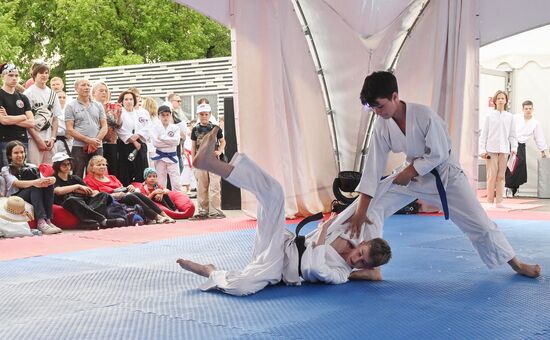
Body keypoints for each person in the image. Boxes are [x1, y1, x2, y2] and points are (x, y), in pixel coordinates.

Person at [345, 71, 539, 278]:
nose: (377, 112)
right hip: (415, 177)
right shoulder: (382, 125)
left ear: (395, 96)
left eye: (380, 105)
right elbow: (373, 167)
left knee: (481, 224)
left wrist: (410, 171)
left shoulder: (424, 116)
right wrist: (361, 210)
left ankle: (517, 264)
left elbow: (438, 153)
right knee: (371, 209)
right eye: (372, 108)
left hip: (446, 177)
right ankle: (372, 269)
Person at [177, 127, 392, 296]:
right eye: (361, 254)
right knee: (274, 193)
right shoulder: (350, 230)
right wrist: (400, 175)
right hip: (284, 242)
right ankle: (210, 163)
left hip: (279, 267)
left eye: (364, 264)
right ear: (363, 244)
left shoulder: (341, 274)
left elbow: (316, 269)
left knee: (242, 287)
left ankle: (210, 271)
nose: (357, 261)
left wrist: (324, 230)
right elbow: (372, 199)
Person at [84, 155, 173, 224]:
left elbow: (122, 187)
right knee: (131, 197)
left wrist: (130, 187)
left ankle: (164, 215)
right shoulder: (88, 180)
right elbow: (96, 196)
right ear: (91, 167)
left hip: (124, 196)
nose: (102, 167)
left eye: (104, 164)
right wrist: (113, 195)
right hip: (110, 201)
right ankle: (157, 217)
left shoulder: (112, 177)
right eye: (98, 165)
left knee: (136, 194)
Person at [0, 140, 62, 234]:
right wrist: (35, 182)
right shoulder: (6, 169)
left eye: (22, 152)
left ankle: (48, 220)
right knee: (35, 186)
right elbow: (16, 183)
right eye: (16, 153)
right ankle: (41, 222)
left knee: (48, 185)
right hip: (15, 198)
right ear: (9, 155)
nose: (20, 155)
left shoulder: (32, 166)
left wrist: (51, 180)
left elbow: (42, 181)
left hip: (34, 194)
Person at [52, 152, 126, 229]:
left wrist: (80, 190)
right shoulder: (53, 178)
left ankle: (89, 222)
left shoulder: (74, 178)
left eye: (69, 164)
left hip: (85, 204)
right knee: (72, 199)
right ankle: (103, 220)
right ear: (57, 166)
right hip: (68, 204)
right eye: (64, 165)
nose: (67, 166)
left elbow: (90, 192)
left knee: (103, 195)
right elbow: (58, 191)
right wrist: (76, 187)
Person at [479, 90, 518, 207]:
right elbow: (483, 134)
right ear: (495, 101)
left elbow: (512, 135)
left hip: (504, 150)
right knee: (491, 176)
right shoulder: (489, 116)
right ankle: (490, 201)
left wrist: (514, 148)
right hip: (491, 150)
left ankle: (499, 201)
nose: (501, 100)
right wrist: (482, 150)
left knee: (501, 177)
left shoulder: (510, 117)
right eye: (499, 98)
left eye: (503, 98)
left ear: (506, 101)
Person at [65, 78, 108, 178]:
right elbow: (70, 129)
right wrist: (88, 140)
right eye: (83, 85)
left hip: (97, 146)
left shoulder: (98, 105)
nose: (87, 87)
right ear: (76, 88)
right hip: (79, 147)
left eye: (88, 85)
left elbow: (104, 126)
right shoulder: (70, 106)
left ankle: (97, 193)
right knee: (77, 175)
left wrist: (95, 142)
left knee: (98, 174)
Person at [505, 100, 548, 196]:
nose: (528, 110)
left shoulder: (535, 123)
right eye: (526, 108)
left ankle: (515, 188)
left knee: (520, 166)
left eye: (530, 108)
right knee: (510, 166)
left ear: (533, 109)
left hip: (521, 146)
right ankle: (507, 188)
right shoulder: (515, 118)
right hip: (511, 144)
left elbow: (539, 137)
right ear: (522, 109)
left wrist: (543, 150)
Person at [190, 103, 226, 219]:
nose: (204, 116)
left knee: (215, 185)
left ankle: (215, 211)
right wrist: (193, 162)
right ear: (198, 115)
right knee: (202, 186)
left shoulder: (216, 128)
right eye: (201, 114)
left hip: (213, 160)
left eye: (206, 114)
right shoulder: (195, 129)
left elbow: (223, 141)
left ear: (210, 115)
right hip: (200, 161)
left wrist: (219, 151)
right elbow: (193, 147)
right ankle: (202, 211)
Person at [23, 62, 62, 165]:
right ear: (35, 74)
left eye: (46, 72)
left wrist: (53, 138)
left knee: (50, 171)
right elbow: (26, 121)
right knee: (34, 170)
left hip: (50, 139)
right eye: (41, 72)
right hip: (33, 139)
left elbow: (55, 118)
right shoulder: (28, 94)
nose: (44, 75)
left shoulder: (53, 94)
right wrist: (38, 140)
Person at [0, 63, 35, 168]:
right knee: (7, 173)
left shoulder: (23, 97)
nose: (14, 78)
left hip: (22, 141)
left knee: (23, 171)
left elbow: (32, 122)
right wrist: (23, 117)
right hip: (5, 140)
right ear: (2, 76)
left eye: (16, 76)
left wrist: (10, 117)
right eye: (10, 75)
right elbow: (3, 121)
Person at [115, 90, 150, 185]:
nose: (129, 101)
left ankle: (141, 191)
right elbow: (119, 129)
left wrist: (137, 136)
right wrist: (133, 141)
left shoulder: (142, 113)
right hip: (125, 144)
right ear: (122, 101)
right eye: (126, 99)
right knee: (126, 171)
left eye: (131, 99)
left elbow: (147, 127)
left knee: (141, 169)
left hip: (140, 143)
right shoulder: (119, 113)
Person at [92, 81, 121, 176]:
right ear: (93, 93)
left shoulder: (113, 106)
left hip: (111, 142)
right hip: (94, 142)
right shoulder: (90, 106)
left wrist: (118, 116)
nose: (104, 93)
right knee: (96, 169)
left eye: (105, 91)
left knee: (112, 169)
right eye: (101, 90)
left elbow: (118, 124)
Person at [151, 105, 182, 191]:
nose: (165, 117)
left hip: (172, 157)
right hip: (160, 157)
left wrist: (162, 138)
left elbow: (176, 142)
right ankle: (162, 201)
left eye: (167, 115)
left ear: (170, 115)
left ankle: (178, 201)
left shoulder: (175, 128)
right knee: (160, 182)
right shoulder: (155, 128)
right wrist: (169, 142)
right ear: (158, 116)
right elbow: (156, 143)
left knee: (176, 182)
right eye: (163, 115)